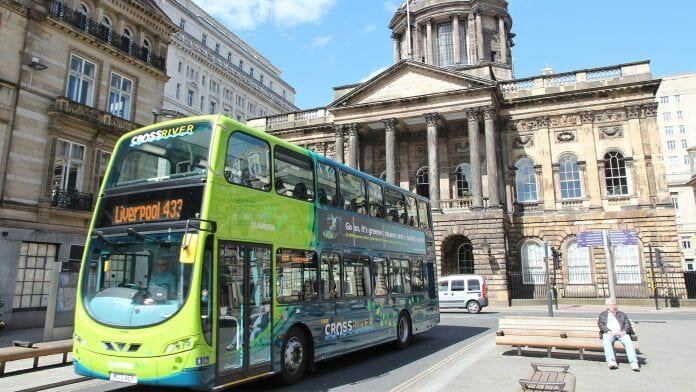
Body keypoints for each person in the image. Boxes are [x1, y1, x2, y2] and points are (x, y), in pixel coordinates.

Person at [598, 297, 640, 371]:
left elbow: (627, 324)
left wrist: (623, 332)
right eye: (610, 305)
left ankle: (633, 362)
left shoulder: (622, 314)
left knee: (628, 341)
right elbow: (601, 325)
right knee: (606, 339)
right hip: (610, 333)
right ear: (607, 306)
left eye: (614, 304)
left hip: (621, 333)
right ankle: (611, 361)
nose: (613, 306)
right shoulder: (603, 315)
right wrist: (608, 331)